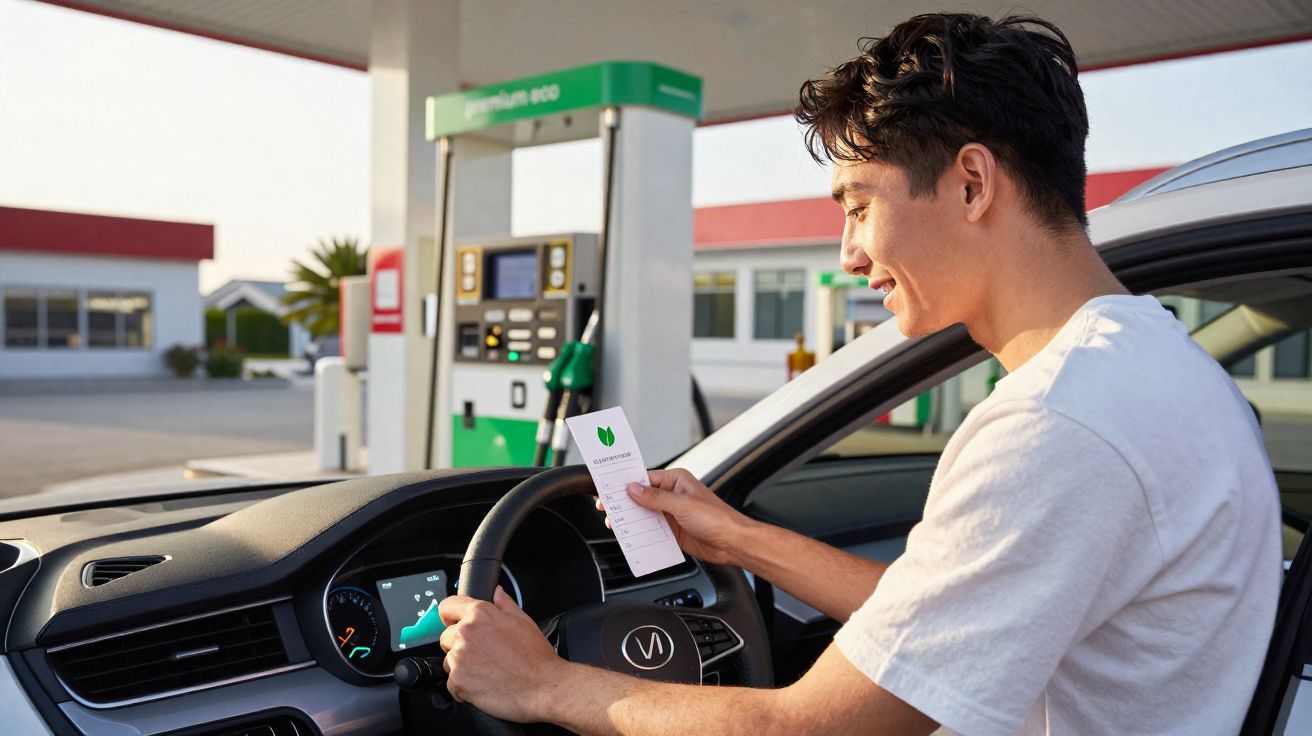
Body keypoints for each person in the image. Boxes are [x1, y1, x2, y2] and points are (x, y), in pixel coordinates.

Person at [437, 12, 1281, 735]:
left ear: (973, 183)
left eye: (858, 205)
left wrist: (543, 685)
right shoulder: (1158, 367)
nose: (848, 253)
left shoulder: (1056, 424)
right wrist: (734, 538)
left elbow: (811, 727)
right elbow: (947, 613)